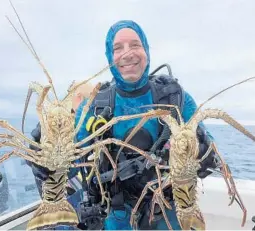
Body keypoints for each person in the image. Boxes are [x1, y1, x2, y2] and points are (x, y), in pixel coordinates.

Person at [29, 20, 218, 230]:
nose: (127, 54)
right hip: (116, 218)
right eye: (118, 48)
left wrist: (204, 148)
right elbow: (73, 158)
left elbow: (213, 153)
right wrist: (41, 159)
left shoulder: (175, 97)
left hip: (171, 213)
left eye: (135, 45)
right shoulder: (94, 104)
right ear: (109, 57)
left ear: (146, 50)